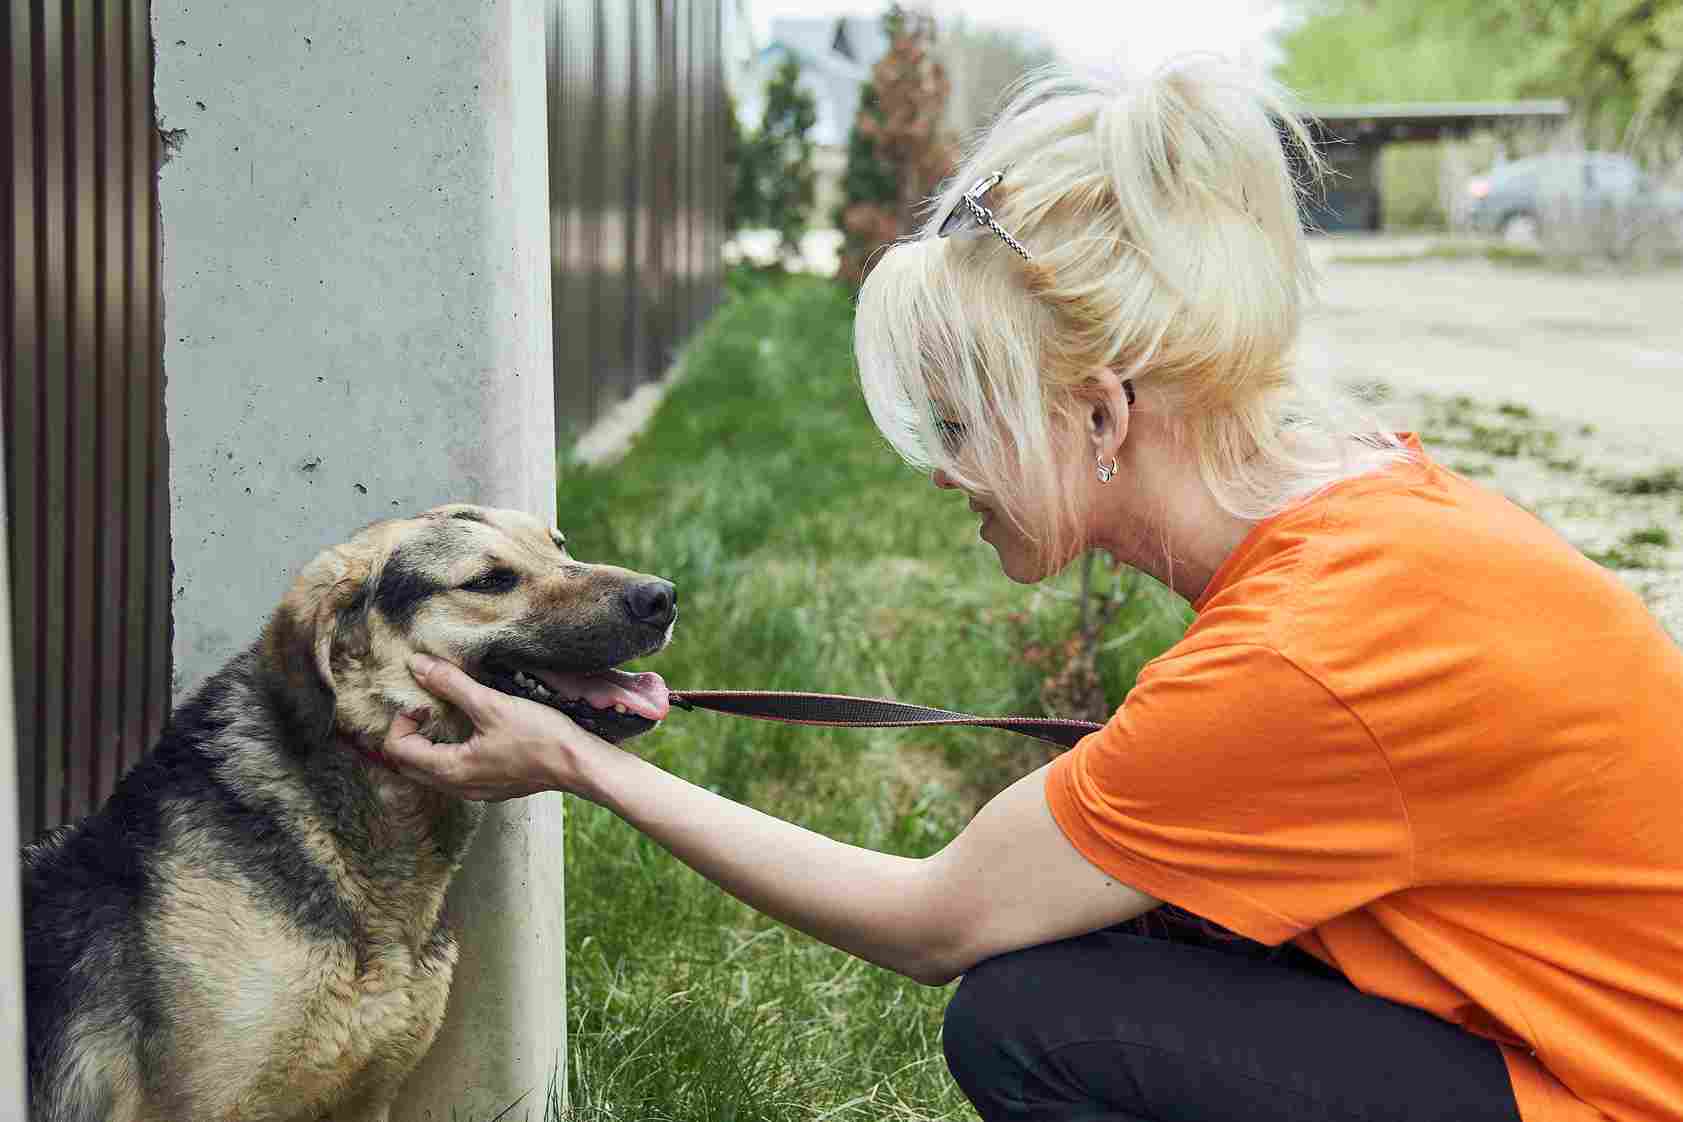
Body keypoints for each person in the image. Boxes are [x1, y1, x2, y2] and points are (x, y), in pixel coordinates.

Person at [383, 58, 1683, 1122]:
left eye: (964, 421)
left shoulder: (1300, 652)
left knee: (1031, 1025)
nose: (944, 475)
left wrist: (579, 763)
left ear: (1104, 412)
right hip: (1583, 1035)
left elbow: (936, 918)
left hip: (1616, 1092)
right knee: (1136, 924)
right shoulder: (1365, 515)